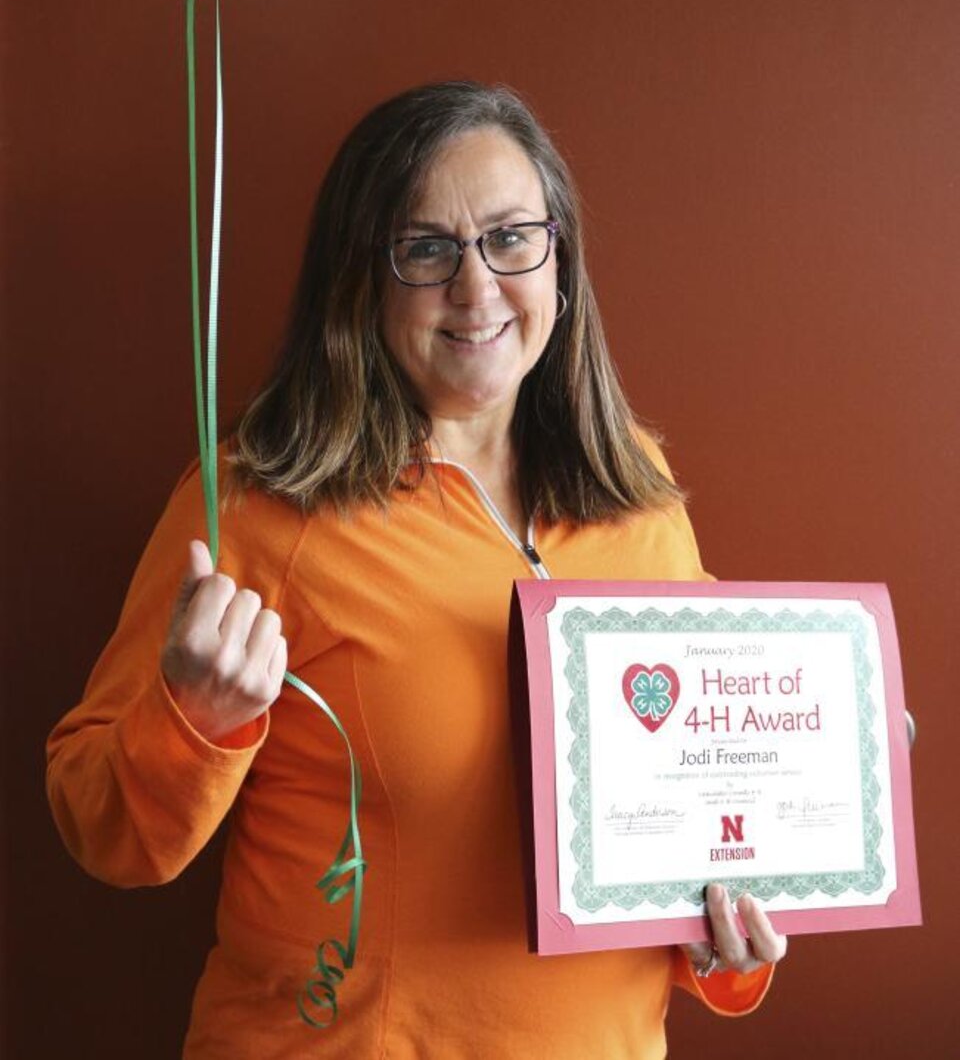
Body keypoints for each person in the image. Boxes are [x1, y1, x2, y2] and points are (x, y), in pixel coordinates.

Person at [47, 81, 787, 1059]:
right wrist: (195, 719)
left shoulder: (636, 486)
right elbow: (102, 828)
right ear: (362, 280)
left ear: (559, 260)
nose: (477, 289)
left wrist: (733, 929)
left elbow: (686, 809)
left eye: (512, 237)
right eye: (427, 248)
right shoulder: (261, 500)